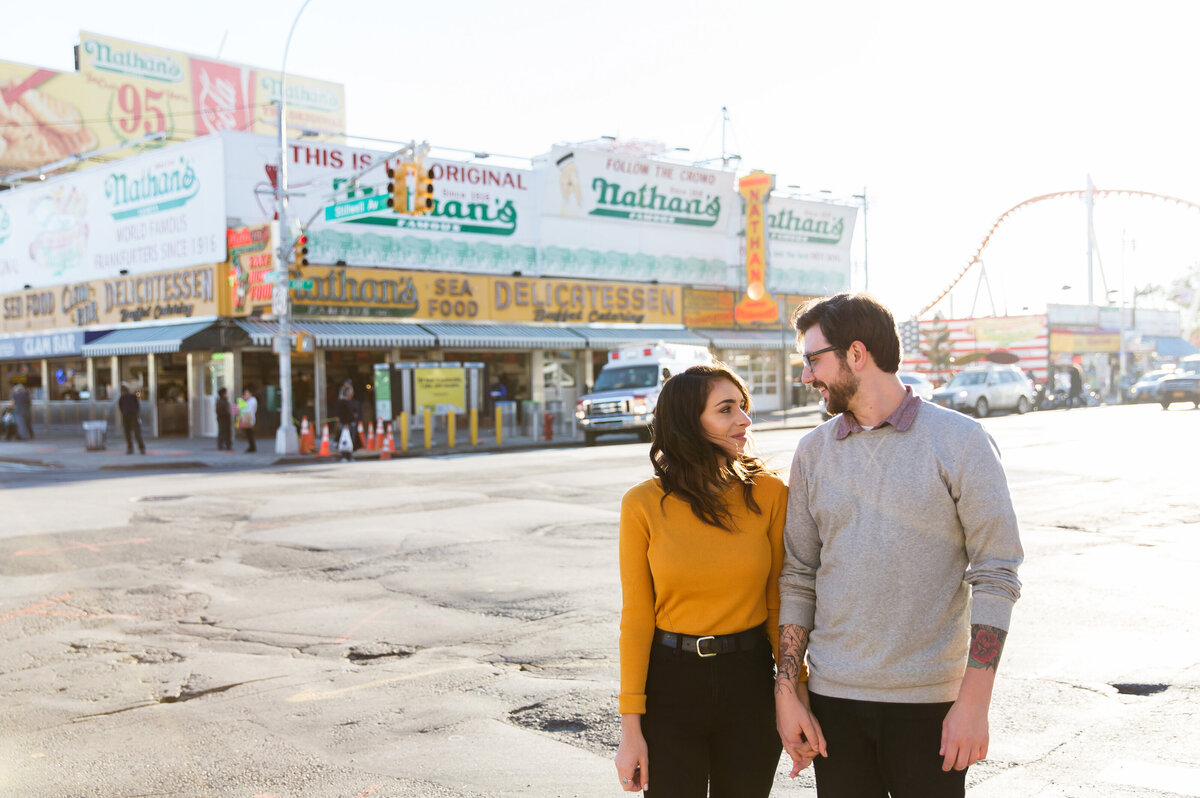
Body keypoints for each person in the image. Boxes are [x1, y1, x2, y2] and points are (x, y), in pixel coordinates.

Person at [775, 293, 1024, 797]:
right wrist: (788, 692)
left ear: (857, 354)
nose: (806, 376)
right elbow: (799, 573)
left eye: (812, 359)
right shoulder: (812, 452)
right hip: (834, 704)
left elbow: (996, 570)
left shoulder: (961, 440)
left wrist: (974, 703)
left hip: (931, 705)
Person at [614, 363, 818, 796]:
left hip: (748, 683)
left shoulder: (769, 493)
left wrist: (795, 692)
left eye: (743, 407)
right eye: (726, 409)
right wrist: (630, 728)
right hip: (669, 685)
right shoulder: (642, 505)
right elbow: (636, 618)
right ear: (689, 422)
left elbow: (779, 603)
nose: (744, 419)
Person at [117, 385, 146, 455]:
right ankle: (138, 448)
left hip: (129, 416)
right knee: (133, 433)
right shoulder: (127, 397)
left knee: (132, 433)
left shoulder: (124, 398)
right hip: (130, 416)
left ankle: (134, 448)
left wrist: (125, 412)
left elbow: (120, 407)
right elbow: (137, 406)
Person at [237, 386, 258, 453]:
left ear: (250, 393)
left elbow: (248, 410)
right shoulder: (248, 401)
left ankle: (252, 447)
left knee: (249, 433)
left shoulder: (253, 400)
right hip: (246, 418)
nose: (245, 395)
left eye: (247, 393)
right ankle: (251, 446)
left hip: (249, 418)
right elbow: (241, 408)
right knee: (248, 433)